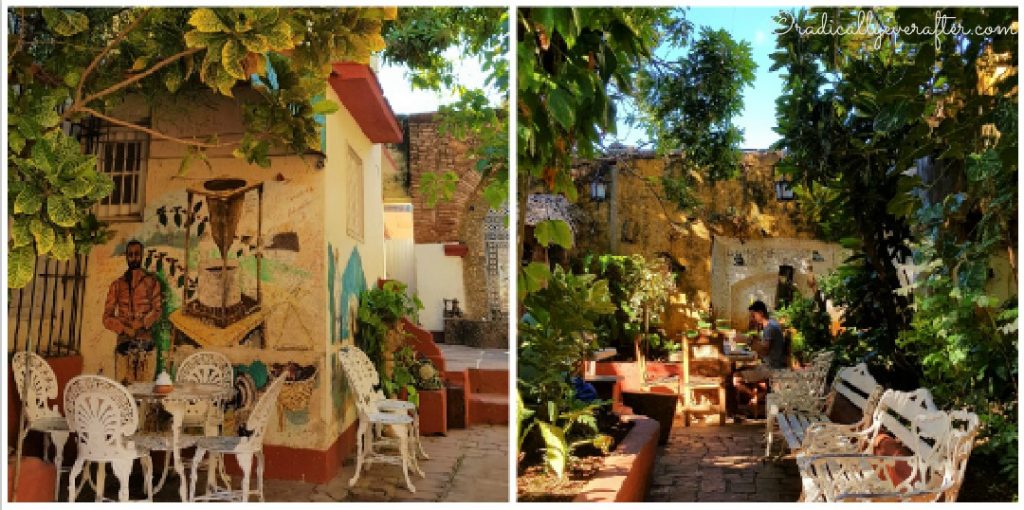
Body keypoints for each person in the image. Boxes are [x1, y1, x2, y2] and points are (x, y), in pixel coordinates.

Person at [102, 240, 163, 384]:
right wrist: (124, 328)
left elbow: (157, 309)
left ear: (141, 256)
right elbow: (106, 318)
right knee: (124, 388)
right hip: (123, 344)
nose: (134, 258)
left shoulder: (152, 282)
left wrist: (142, 323)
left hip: (146, 343)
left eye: (136, 254)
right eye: (130, 255)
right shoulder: (116, 285)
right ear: (126, 257)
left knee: (145, 388)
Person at [732, 300, 788, 418]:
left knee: (735, 377)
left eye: (753, 315)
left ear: (760, 313)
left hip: (771, 368)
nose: (752, 318)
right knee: (742, 368)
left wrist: (747, 340)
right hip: (773, 364)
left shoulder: (769, 328)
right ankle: (756, 398)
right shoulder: (772, 324)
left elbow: (764, 350)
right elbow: (765, 349)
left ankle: (754, 398)